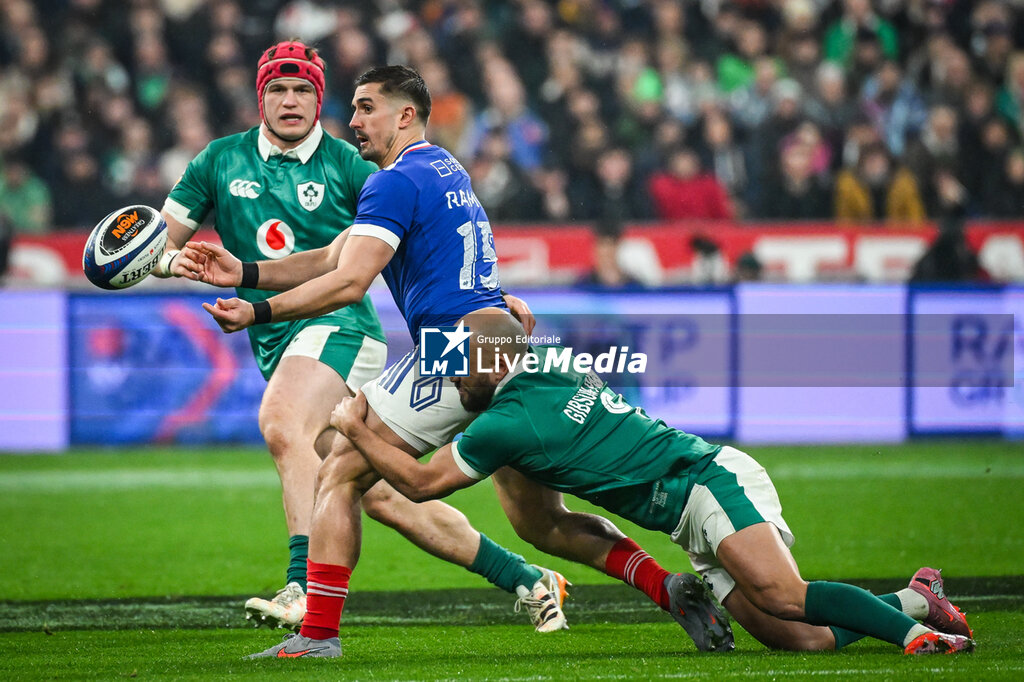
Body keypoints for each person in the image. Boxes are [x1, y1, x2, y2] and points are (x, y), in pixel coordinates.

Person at [179, 65, 726, 658]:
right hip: (504, 343)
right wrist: (249, 272)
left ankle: (316, 636)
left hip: (453, 345)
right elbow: (337, 253)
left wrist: (256, 311)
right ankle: (665, 585)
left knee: (340, 471)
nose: (354, 121)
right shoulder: (445, 169)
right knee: (541, 522)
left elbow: (349, 281)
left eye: (366, 108)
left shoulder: (392, 183)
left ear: (404, 115)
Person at [153, 42, 568, 633]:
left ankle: (302, 589)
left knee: (281, 424)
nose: (291, 101)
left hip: (339, 328)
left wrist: (485, 296)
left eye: (303, 91)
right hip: (281, 336)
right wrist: (169, 265)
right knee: (369, 490)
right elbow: (163, 243)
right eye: (278, 89)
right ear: (260, 96)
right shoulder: (218, 161)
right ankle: (525, 576)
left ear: (320, 100)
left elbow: (355, 268)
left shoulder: (357, 165)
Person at [329, 308, 977, 657]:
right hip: (683, 508)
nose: (454, 384)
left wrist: (354, 428)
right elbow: (511, 326)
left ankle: (919, 639)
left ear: (495, 369)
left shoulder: (505, 423)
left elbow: (415, 483)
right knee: (795, 637)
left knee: (784, 596)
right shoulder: (541, 358)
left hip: (703, 479)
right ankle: (919, 599)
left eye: (462, 371)